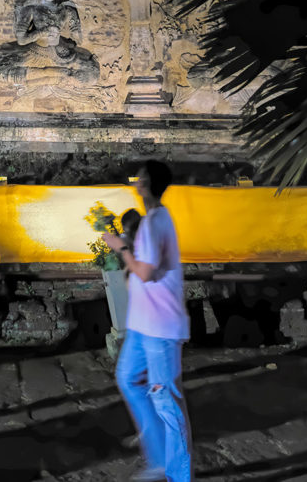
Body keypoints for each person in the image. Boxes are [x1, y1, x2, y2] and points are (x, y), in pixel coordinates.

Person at [103, 160, 192, 482]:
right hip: (143, 325)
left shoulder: (156, 222)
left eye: (140, 178)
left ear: (148, 183)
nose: (135, 182)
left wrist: (121, 246)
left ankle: (178, 475)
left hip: (161, 327)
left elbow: (145, 271)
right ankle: (157, 459)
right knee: (128, 379)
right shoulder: (151, 220)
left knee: (167, 402)